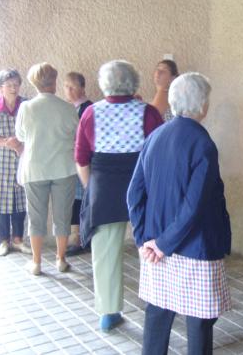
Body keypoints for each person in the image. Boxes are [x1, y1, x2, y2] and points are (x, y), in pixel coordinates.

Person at [128, 72, 232, 354]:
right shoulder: (203, 144)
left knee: (157, 315)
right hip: (195, 246)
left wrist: (144, 240)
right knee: (199, 323)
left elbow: (133, 194)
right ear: (202, 105)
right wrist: (161, 244)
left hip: (157, 245)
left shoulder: (154, 137)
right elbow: (194, 206)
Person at [75, 60, 162, 332]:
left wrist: (92, 188)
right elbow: (158, 155)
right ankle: (156, 303)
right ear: (134, 82)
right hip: (142, 187)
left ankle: (109, 312)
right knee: (150, 247)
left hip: (104, 188)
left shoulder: (91, 113)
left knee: (105, 253)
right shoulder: (147, 112)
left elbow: (81, 157)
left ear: (104, 84)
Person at [16, 63, 79, 276]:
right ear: (54, 80)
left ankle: (36, 262)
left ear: (34, 82)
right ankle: (61, 259)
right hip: (63, 167)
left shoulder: (26, 108)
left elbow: (21, 136)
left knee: (36, 217)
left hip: (35, 167)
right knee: (63, 215)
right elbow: (76, 134)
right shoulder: (68, 108)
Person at [0, 69, 31, 256]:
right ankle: (4, 241)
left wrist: (21, 143)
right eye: (9, 85)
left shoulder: (26, 104)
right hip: (1, 161)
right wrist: (6, 142)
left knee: (21, 201)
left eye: (16, 85)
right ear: (1, 87)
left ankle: (18, 239)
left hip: (22, 157)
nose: (13, 88)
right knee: (1, 202)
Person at [63, 71, 93, 256]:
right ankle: (75, 236)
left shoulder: (88, 108)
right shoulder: (67, 109)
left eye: (72, 87)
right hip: (70, 161)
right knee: (74, 199)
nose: (68, 90)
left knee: (83, 198)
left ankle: (83, 237)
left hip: (85, 161)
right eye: (66, 86)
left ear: (82, 88)